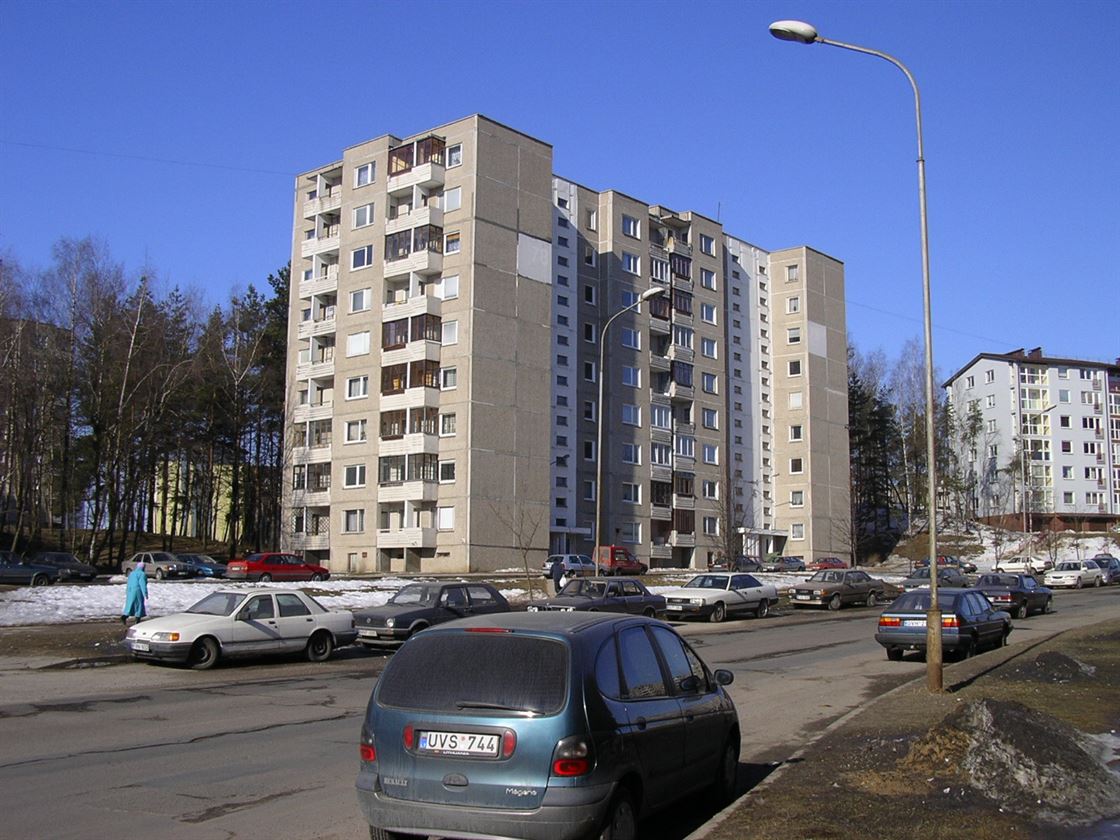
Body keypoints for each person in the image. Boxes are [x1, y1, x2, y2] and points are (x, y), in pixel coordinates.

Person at [121, 561, 148, 625]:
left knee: (130, 605)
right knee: (139, 605)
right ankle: (137, 620)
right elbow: (142, 584)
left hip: (130, 591)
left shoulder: (132, 573)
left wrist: (127, 591)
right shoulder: (142, 574)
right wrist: (145, 593)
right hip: (137, 591)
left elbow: (129, 583)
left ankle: (125, 616)